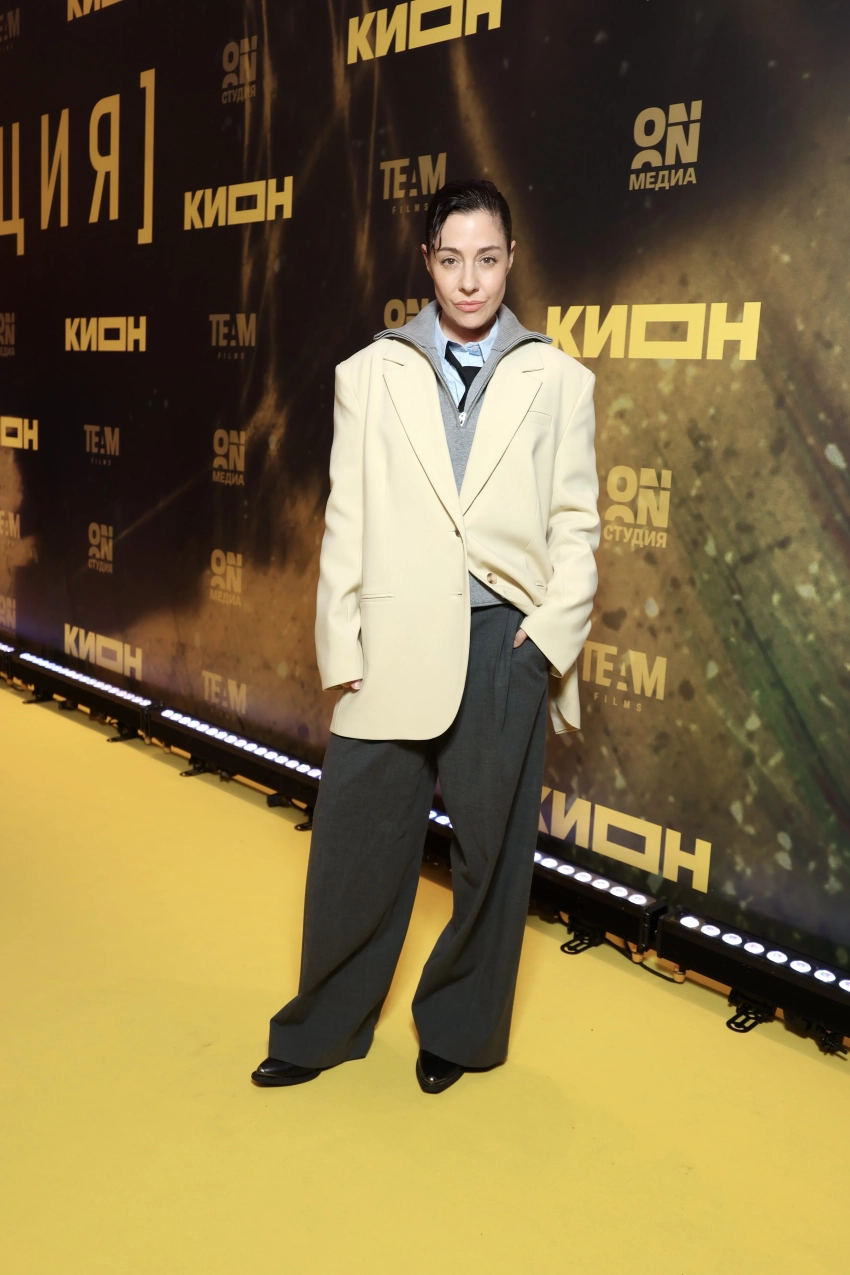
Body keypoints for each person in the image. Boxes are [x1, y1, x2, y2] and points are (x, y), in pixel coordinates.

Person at [253, 179, 600, 1094]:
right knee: (354, 842)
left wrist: (544, 641)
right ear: (427, 262)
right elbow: (347, 520)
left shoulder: (560, 382)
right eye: (452, 260)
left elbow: (576, 527)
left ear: (512, 259)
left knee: (491, 856)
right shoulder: (370, 374)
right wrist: (342, 649)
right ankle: (324, 1025)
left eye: (487, 259)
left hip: (505, 643)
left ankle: (458, 1026)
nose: (470, 280)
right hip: (395, 634)